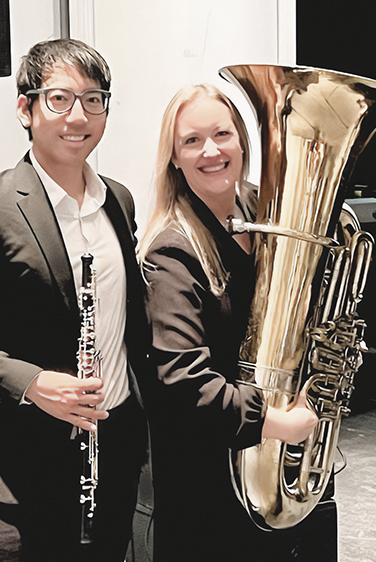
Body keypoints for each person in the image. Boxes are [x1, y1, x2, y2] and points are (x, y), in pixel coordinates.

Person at [0, 39, 148, 561]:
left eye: (94, 99)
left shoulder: (117, 200)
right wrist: (30, 382)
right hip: (25, 463)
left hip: (115, 445)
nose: (79, 115)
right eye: (59, 99)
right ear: (25, 109)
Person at [137, 84, 335, 562]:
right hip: (213, 480)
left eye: (222, 134)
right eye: (192, 141)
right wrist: (272, 422)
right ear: (174, 160)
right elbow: (182, 380)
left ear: (242, 141)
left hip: (289, 458)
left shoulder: (268, 214)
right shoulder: (172, 250)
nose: (211, 151)